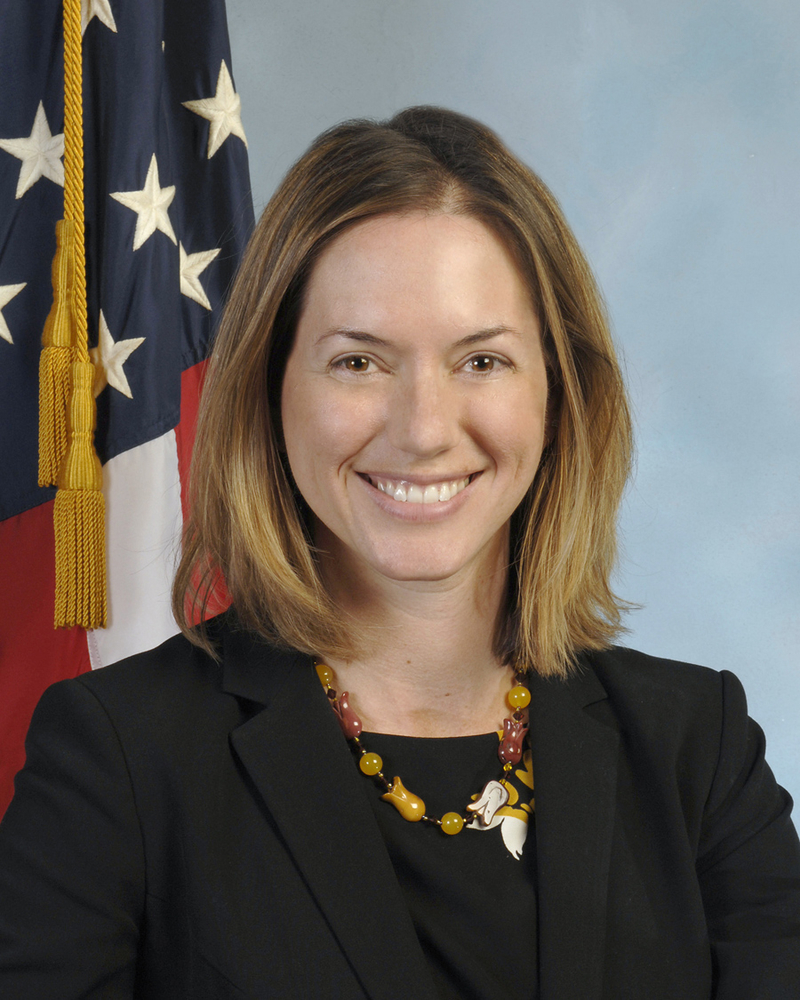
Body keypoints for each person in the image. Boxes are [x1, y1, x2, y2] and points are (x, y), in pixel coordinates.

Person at [1, 106, 799, 1000]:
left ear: (559, 392)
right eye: (358, 363)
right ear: (270, 391)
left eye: (481, 362)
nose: (423, 430)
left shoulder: (699, 748)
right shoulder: (120, 755)